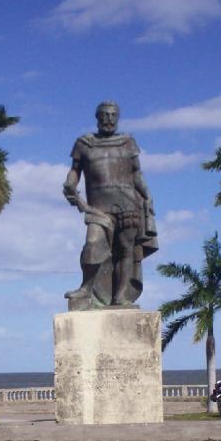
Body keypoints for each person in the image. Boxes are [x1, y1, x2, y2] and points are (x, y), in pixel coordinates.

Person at [63, 101, 158, 309]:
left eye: (113, 115)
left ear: (118, 117)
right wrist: (70, 183)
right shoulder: (84, 143)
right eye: (105, 115)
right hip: (98, 208)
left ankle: (121, 296)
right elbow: (75, 170)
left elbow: (136, 174)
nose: (109, 119)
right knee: (93, 244)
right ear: (97, 117)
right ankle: (86, 288)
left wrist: (147, 195)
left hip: (128, 204)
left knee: (126, 250)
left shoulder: (128, 143)